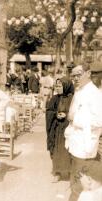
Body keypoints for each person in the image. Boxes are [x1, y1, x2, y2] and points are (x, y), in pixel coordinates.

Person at [64, 61, 102, 201]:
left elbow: (99, 121)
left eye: (78, 74)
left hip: (85, 146)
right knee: (75, 182)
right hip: (74, 143)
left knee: (80, 186)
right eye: (73, 75)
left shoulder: (95, 94)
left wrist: (75, 119)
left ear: (88, 73)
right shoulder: (79, 91)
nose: (75, 77)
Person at [46, 77, 74, 182]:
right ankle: (57, 172)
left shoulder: (73, 99)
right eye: (56, 86)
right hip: (57, 129)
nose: (57, 88)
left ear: (66, 86)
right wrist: (55, 115)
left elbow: (76, 113)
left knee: (69, 151)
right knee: (57, 150)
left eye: (59, 86)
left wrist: (66, 115)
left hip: (70, 129)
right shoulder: (55, 98)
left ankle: (71, 172)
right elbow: (49, 111)